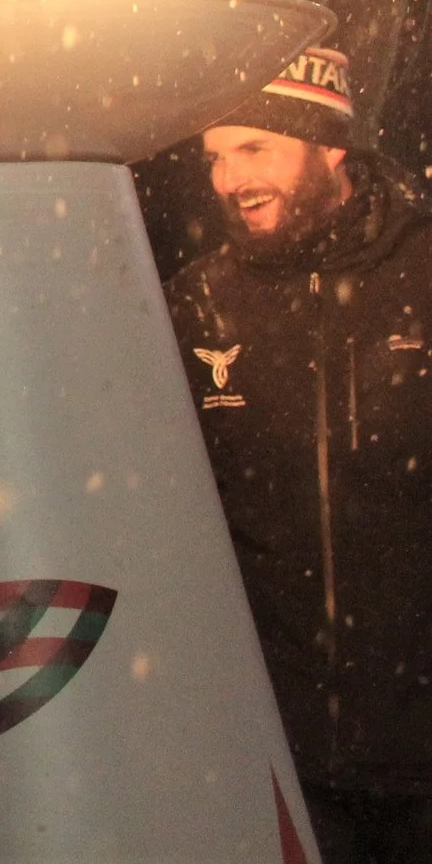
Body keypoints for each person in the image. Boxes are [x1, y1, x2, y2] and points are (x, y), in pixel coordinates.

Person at [167, 45, 432, 863]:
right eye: (215, 156)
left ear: (331, 148)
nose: (229, 179)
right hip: (279, 750)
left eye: (256, 149)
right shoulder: (199, 302)